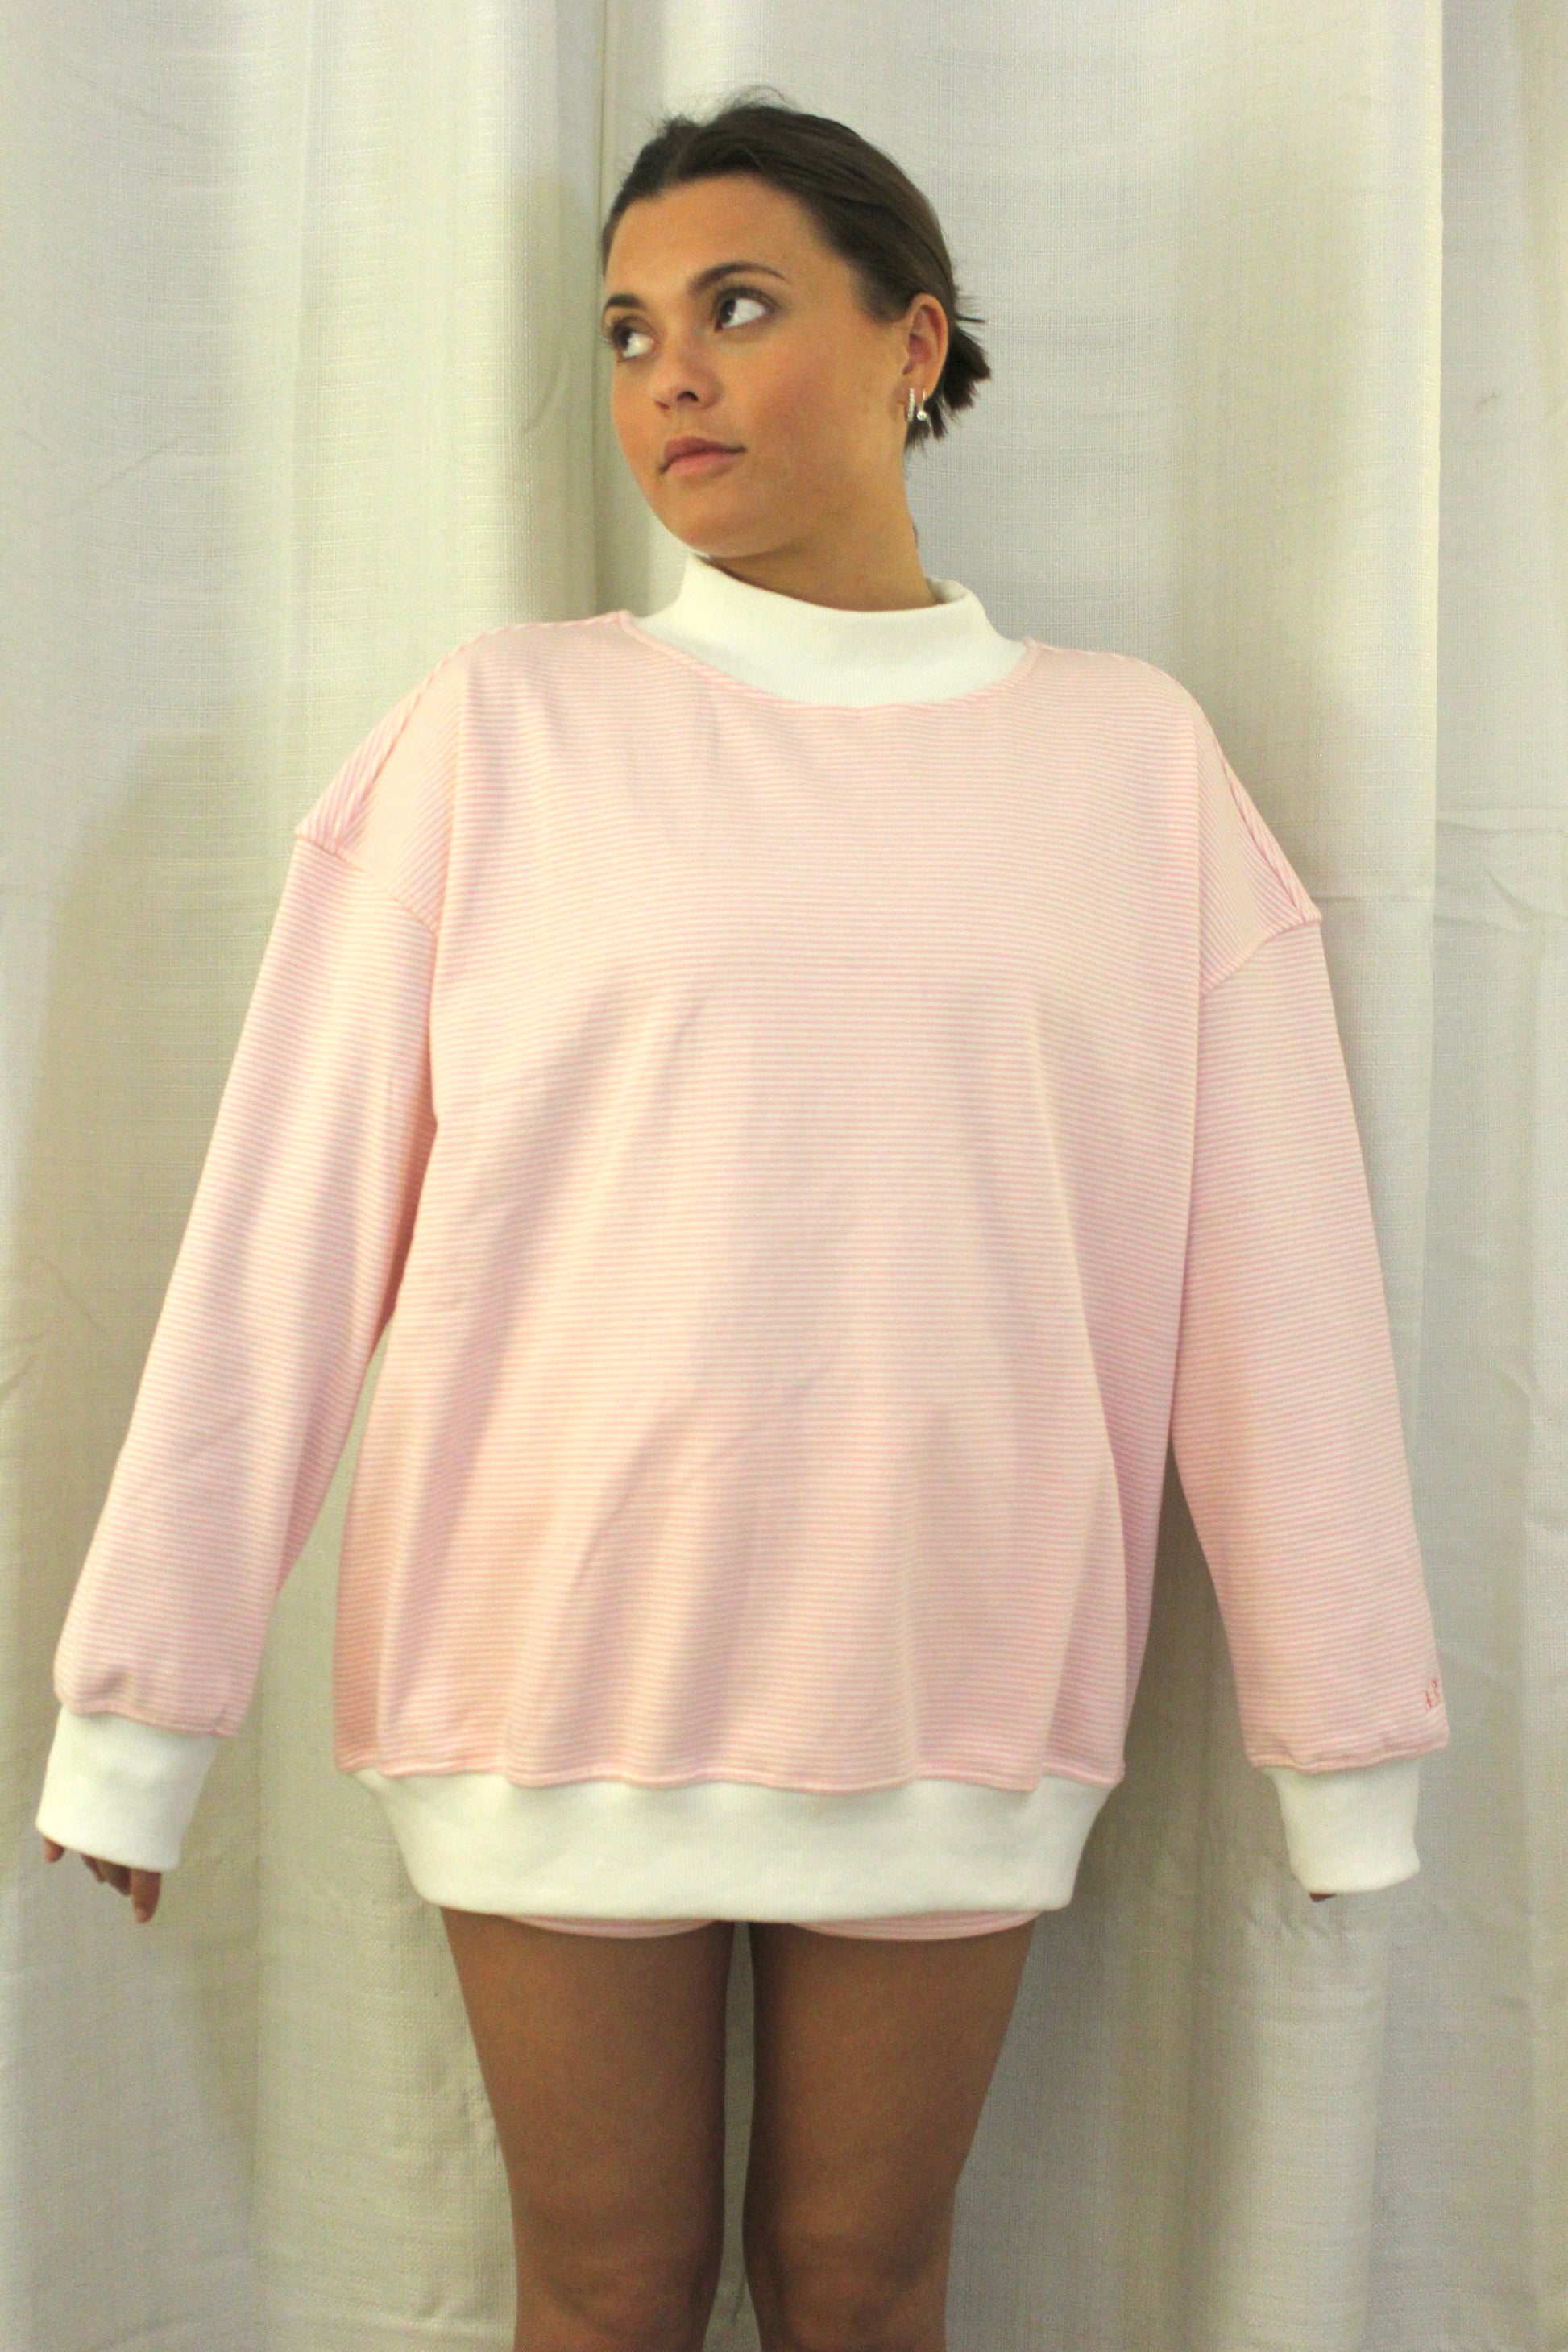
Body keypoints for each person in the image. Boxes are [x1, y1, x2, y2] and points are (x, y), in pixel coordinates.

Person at [37, 92, 1447, 2352]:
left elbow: (1276, 1290)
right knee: (602, 2298)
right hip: (549, 1665)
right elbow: (279, 1230)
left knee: (863, 2293)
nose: (668, 375)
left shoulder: (1129, 766)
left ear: (915, 344)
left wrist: (1342, 1740)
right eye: (625, 332)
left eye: (738, 307)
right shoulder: (504, 729)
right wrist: (143, 1704)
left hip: (948, 1666)